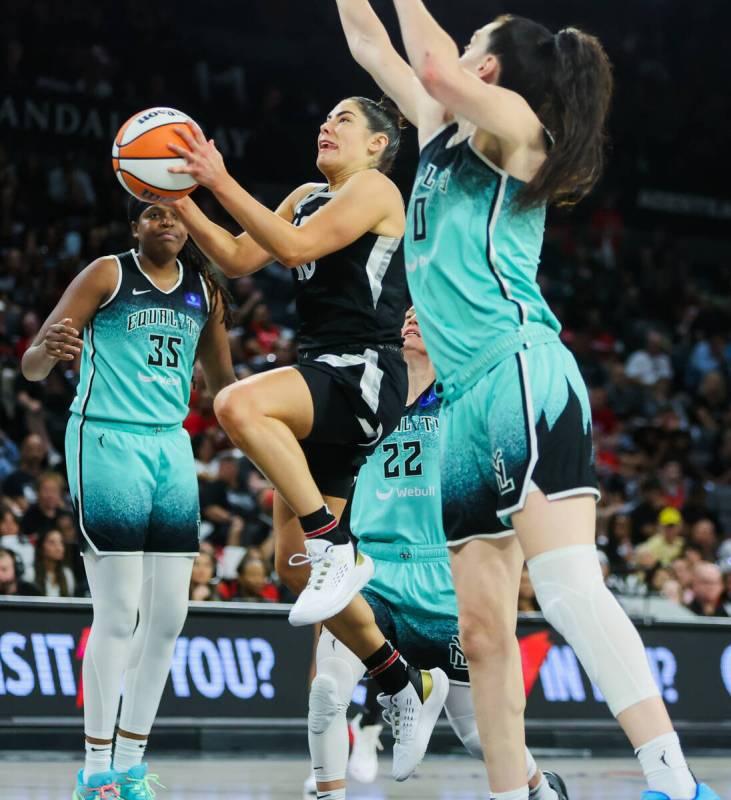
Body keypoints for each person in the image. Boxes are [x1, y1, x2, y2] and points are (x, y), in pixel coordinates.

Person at [334, 2, 719, 799]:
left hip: (519, 374)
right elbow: (371, 43)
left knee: (570, 583)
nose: (459, 48)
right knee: (479, 634)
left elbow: (433, 66)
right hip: (465, 401)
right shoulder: (441, 135)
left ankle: (672, 782)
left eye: (475, 41)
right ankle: (515, 794)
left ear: (492, 67)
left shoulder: (519, 127)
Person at [168, 95, 449, 778]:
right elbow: (238, 257)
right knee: (296, 568)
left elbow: (292, 249)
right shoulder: (301, 195)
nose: (326, 124)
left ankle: (336, 547)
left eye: (343, 119)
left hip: (365, 370)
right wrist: (176, 201)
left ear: (378, 145)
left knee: (237, 404)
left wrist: (213, 176)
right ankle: (401, 680)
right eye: (322, 116)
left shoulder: (376, 189)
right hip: (325, 376)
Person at [21, 198, 236, 800]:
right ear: (135, 227)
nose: (165, 222)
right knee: (118, 614)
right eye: (152, 214)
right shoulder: (107, 274)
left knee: (169, 617)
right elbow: (33, 365)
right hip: (107, 439)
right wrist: (48, 351)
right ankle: (94, 773)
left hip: (172, 448)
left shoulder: (206, 293)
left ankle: (131, 766)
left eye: (175, 214)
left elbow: (225, 389)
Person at [307, 308, 568, 800]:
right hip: (372, 571)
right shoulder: (367, 388)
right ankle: (329, 793)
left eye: (422, 316)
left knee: (478, 737)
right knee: (327, 691)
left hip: (442, 574)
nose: (409, 320)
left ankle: (540, 787)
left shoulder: (464, 395)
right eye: (405, 315)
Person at [31, 527, 75, 597]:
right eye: (52, 542)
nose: (59, 548)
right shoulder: (31, 573)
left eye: (61, 542)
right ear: (41, 547)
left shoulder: (67, 574)